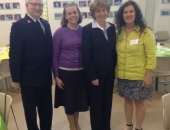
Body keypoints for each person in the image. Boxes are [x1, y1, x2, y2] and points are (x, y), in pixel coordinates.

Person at [9, 0, 53, 130]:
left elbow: (49, 50)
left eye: (40, 5)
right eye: (34, 4)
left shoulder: (46, 24)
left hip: (45, 77)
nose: (37, 7)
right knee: (30, 114)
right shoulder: (19, 26)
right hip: (29, 80)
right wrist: (15, 79)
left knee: (46, 112)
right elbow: (15, 54)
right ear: (27, 5)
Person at [115, 1, 156, 130]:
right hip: (123, 74)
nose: (128, 14)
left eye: (131, 11)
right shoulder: (120, 32)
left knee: (138, 103)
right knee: (127, 100)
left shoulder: (145, 32)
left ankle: (138, 127)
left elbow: (151, 56)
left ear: (136, 13)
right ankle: (129, 126)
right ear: (122, 15)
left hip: (139, 76)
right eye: (125, 12)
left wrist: (148, 75)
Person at [52, 3, 89, 130]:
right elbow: (55, 55)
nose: (72, 15)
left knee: (77, 102)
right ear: (65, 16)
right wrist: (56, 76)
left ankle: (76, 123)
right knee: (68, 102)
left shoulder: (84, 31)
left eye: (75, 12)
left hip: (80, 72)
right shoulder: (59, 32)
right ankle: (72, 126)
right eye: (69, 13)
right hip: (65, 73)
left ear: (78, 14)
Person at [82, 0, 117, 129]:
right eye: (98, 11)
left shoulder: (111, 28)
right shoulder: (88, 29)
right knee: (96, 106)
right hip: (95, 75)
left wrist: (113, 71)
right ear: (93, 13)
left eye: (104, 10)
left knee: (107, 103)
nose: (102, 13)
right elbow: (86, 54)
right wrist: (92, 76)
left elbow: (113, 51)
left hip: (109, 73)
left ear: (108, 11)